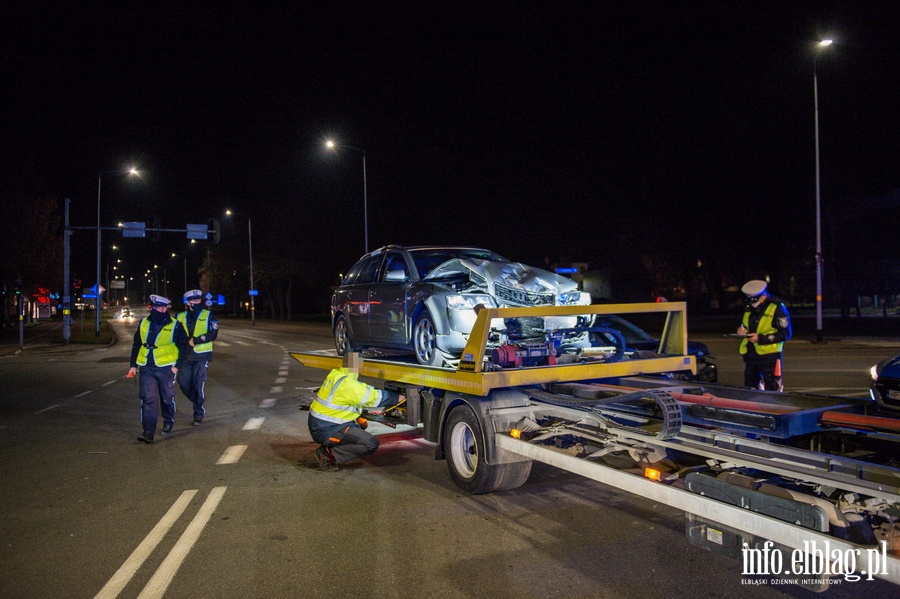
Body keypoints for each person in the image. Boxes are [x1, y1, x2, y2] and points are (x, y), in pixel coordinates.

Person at [308, 352, 403, 471]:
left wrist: (362, 414)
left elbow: (346, 400)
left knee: (362, 424)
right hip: (327, 429)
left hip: (321, 424)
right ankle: (327, 454)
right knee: (370, 444)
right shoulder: (348, 385)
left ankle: (331, 446)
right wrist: (398, 397)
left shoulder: (336, 375)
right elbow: (374, 396)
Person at [128, 295, 188, 443]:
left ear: (166, 308)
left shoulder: (175, 325)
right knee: (148, 399)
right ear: (152, 307)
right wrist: (133, 365)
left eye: (162, 307)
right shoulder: (143, 323)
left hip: (166, 368)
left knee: (167, 399)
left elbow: (185, 347)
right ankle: (148, 432)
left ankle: (168, 421)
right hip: (147, 367)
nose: (160, 310)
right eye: (156, 307)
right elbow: (137, 344)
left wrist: (177, 367)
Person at [737, 279, 793, 391]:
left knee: (772, 390)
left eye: (754, 299)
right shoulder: (749, 308)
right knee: (750, 389)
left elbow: (786, 334)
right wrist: (742, 331)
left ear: (763, 296)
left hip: (770, 356)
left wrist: (761, 338)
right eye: (749, 300)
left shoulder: (777, 307)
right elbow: (746, 325)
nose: (752, 303)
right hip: (751, 355)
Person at [176, 289, 219, 426]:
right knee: (183, 384)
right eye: (193, 300)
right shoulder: (179, 316)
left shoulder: (208, 315)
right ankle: (198, 400)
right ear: (188, 302)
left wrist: (196, 340)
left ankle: (198, 412)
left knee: (198, 384)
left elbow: (213, 333)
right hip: (184, 356)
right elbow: (174, 335)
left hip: (201, 356)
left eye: (198, 300)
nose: (196, 302)